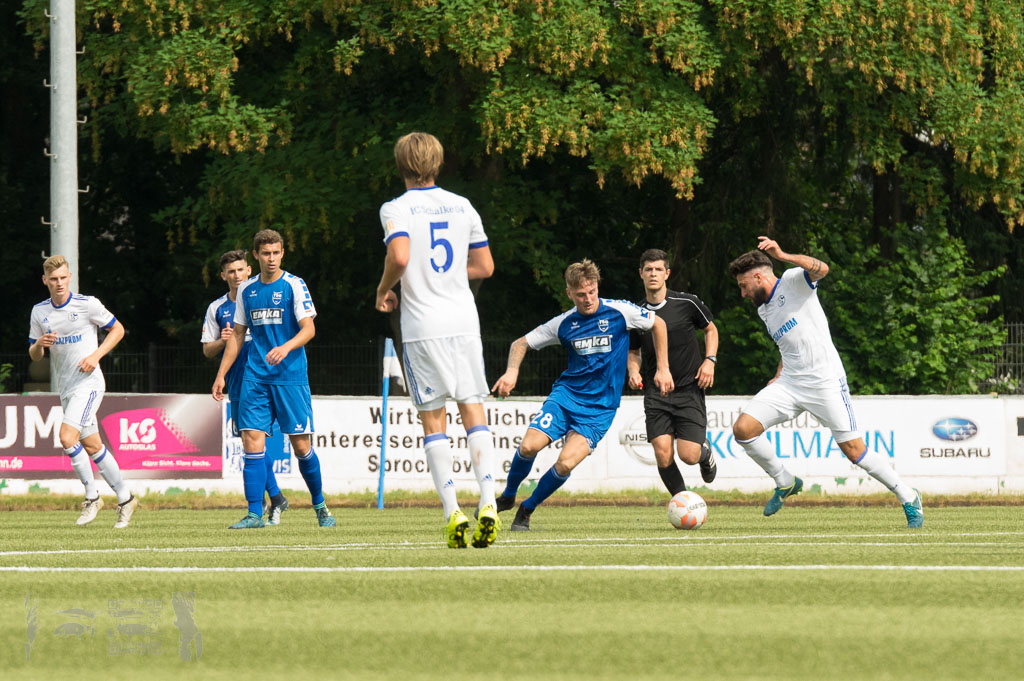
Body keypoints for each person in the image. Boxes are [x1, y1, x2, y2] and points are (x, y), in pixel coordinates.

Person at [728, 237, 923, 527]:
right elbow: (789, 342)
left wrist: (782, 254)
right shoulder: (763, 310)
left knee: (854, 451)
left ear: (758, 276)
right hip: (790, 383)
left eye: (744, 286)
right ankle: (785, 481)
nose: (743, 293)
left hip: (825, 382)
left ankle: (908, 497)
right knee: (743, 429)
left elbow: (822, 269)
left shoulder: (794, 281)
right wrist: (779, 372)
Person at [375, 131, 499, 549]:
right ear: (438, 163)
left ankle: (452, 513)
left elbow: (401, 257)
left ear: (400, 165)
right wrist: (445, 276)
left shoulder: (396, 207)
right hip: (464, 321)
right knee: (474, 414)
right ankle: (489, 503)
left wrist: (384, 289)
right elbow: (484, 265)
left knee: (433, 420)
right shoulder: (463, 205)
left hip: (424, 327)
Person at [491, 259, 674, 531]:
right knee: (529, 446)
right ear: (569, 293)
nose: (588, 299)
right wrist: (511, 373)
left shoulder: (620, 311)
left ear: (597, 287)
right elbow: (521, 343)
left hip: (600, 409)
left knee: (564, 464)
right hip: (565, 398)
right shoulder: (564, 323)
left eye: (592, 292)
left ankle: (526, 509)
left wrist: (663, 368)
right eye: (580, 295)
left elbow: (658, 324)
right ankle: (508, 495)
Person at [212, 229, 335, 529]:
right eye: (265, 253)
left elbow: (308, 329)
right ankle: (255, 513)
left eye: (276, 253)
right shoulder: (247, 290)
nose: (271, 258)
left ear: (282, 253)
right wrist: (221, 375)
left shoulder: (294, 285)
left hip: (290, 376)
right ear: (256, 255)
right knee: (251, 440)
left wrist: (286, 347)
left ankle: (320, 506)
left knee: (301, 446)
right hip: (255, 376)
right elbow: (238, 335)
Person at [28, 255, 138, 527]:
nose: (59, 283)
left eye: (63, 277)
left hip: (88, 384)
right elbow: (34, 356)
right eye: (53, 279)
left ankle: (92, 497)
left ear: (70, 277)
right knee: (92, 445)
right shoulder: (39, 312)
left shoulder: (87, 304)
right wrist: (40, 343)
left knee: (67, 437)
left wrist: (96, 355)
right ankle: (126, 498)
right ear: (45, 281)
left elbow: (118, 329)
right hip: (66, 387)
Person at [202, 249, 288, 525]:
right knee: (251, 443)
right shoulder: (217, 309)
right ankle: (274, 498)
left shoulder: (260, 295)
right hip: (239, 381)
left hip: (269, 376)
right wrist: (223, 341)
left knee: (258, 441)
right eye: (231, 271)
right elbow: (207, 350)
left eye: (241, 270)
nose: (237, 275)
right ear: (223, 276)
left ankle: (268, 501)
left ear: (249, 270)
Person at [627, 248, 719, 496]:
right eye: (648, 269)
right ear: (641, 274)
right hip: (657, 393)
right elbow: (633, 351)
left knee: (688, 455)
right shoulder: (635, 313)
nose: (653, 274)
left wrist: (709, 361)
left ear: (667, 273)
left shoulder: (687, 302)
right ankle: (683, 500)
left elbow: (711, 330)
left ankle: (704, 452)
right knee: (662, 452)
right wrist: (633, 371)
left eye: (658, 269)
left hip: (689, 388)